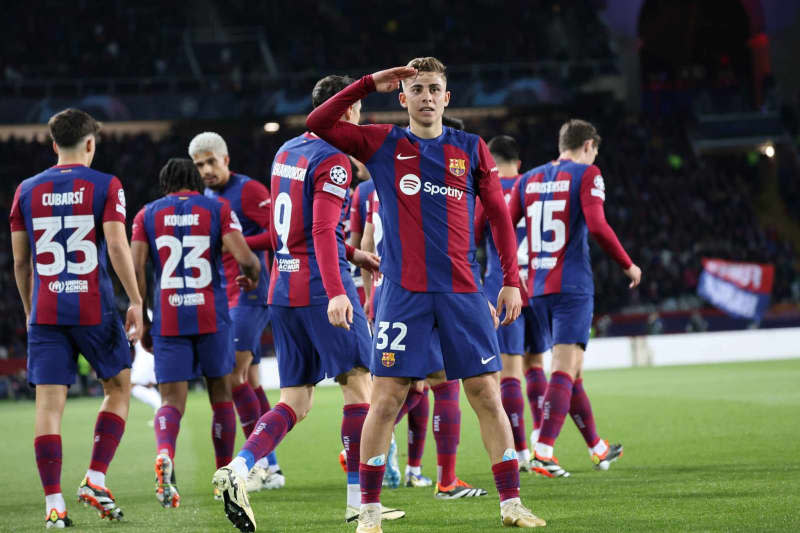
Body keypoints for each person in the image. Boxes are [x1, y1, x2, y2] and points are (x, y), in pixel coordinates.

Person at [307, 57, 545, 531]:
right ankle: (369, 513)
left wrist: (512, 281)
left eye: (435, 88)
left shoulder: (471, 149)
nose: (427, 97)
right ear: (403, 98)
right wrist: (370, 82)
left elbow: (499, 216)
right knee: (387, 398)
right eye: (417, 89)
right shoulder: (382, 142)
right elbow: (318, 122)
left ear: (447, 97)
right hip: (403, 295)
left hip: (463, 292)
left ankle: (511, 504)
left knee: (485, 393)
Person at [212, 75, 403, 532]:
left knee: (295, 400)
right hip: (321, 289)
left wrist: (356, 253)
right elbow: (319, 231)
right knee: (359, 386)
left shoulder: (287, 151)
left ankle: (240, 467)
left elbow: (288, 231)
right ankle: (359, 502)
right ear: (348, 110)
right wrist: (340, 288)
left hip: (283, 288)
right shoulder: (335, 160)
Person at [10, 108, 144, 528]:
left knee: (49, 405)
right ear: (90, 144)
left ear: (53, 145)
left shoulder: (26, 190)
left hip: (47, 310)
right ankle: (96, 477)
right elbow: (118, 247)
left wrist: (33, 312)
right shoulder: (105, 184)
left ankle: (54, 504)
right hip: (93, 307)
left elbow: (20, 262)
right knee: (119, 385)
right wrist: (136, 300)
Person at [507, 119, 642, 478]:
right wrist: (628, 265)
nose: (594, 156)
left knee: (573, 372)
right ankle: (544, 452)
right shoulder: (587, 174)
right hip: (571, 287)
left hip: (535, 288)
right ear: (588, 146)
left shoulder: (529, 178)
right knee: (565, 369)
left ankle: (597, 447)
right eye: (594, 150)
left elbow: (505, 226)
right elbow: (597, 225)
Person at [130, 158, 261, 508]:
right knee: (221, 395)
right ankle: (224, 477)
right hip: (211, 315)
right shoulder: (217, 207)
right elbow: (246, 260)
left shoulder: (147, 215)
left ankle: (163, 452)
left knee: (172, 400)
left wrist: (143, 317)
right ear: (195, 181)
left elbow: (135, 267)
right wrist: (253, 276)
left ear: (165, 186)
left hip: (169, 316)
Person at [362, 189, 486, 496]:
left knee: (410, 386)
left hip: (386, 294)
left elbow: (365, 243)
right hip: (422, 291)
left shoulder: (371, 188)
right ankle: (447, 480)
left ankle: (407, 466)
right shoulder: (428, 178)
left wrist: (368, 294)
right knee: (444, 382)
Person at [190, 132, 284, 492]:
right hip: (224, 295)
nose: (207, 170)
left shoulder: (249, 190)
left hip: (251, 293)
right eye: (200, 165)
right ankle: (270, 467)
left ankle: (258, 464)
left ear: (226, 159)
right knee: (250, 381)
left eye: (212, 161)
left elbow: (278, 232)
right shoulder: (207, 197)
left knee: (232, 376)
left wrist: (236, 245)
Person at [475, 135, 535, 471]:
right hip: (538, 283)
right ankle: (544, 444)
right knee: (537, 365)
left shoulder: (490, 189)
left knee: (507, 373)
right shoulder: (534, 186)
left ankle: (523, 451)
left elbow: (472, 234)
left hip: (502, 286)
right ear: (519, 162)